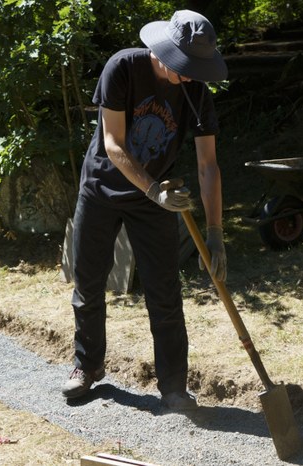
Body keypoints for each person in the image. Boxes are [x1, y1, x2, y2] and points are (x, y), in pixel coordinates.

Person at [62, 10, 228, 411]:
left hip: (156, 200)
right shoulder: (123, 67)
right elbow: (114, 144)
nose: (188, 75)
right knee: (88, 285)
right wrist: (153, 189)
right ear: (163, 53)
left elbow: (208, 165)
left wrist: (215, 232)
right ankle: (88, 366)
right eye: (183, 67)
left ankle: (173, 386)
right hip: (101, 189)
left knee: (165, 294)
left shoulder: (195, 92)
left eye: (195, 68)